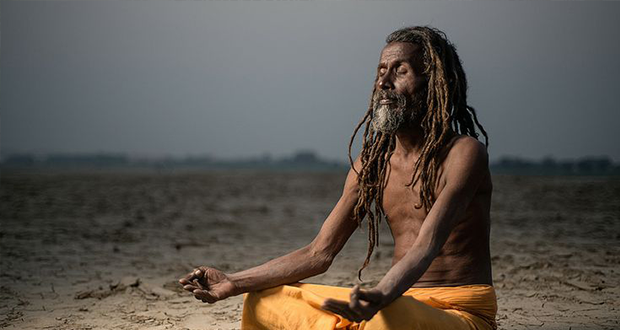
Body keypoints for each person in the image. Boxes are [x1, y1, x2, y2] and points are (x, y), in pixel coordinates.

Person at [179, 26, 496, 330]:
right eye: (380, 70)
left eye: (400, 71)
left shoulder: (464, 153)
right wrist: (235, 282)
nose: (384, 81)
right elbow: (319, 253)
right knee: (263, 300)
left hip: (457, 310)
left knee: (385, 319)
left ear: (434, 82)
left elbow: (427, 244)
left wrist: (382, 296)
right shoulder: (373, 163)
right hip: (394, 302)